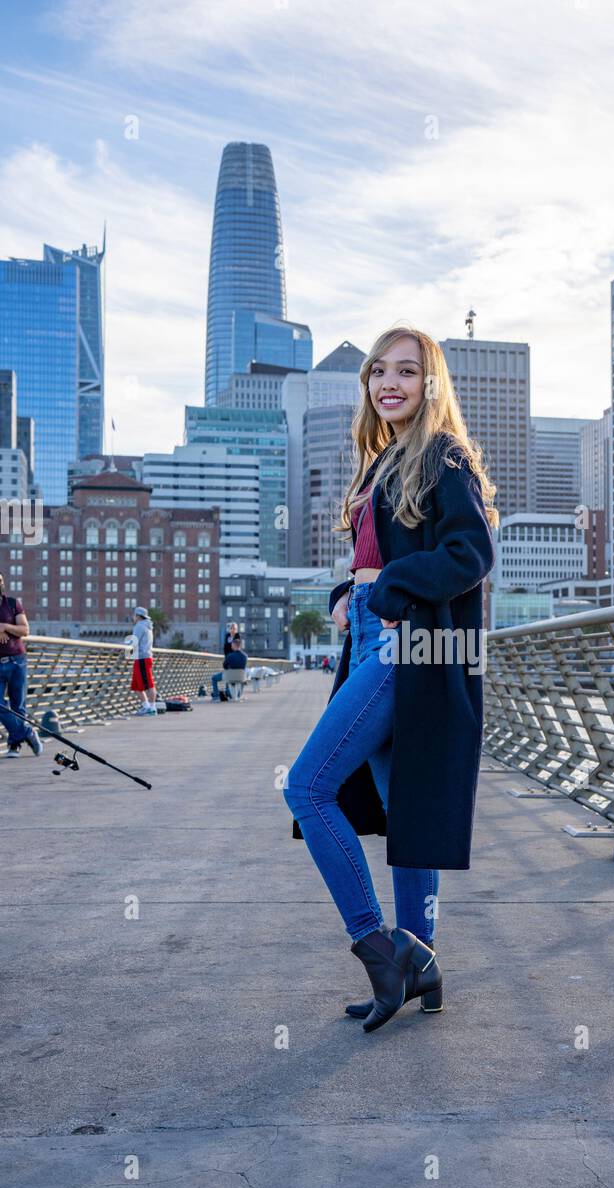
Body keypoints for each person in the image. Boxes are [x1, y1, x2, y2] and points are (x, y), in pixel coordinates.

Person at [283, 326, 497, 1033]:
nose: (389, 383)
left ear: (431, 384)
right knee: (401, 806)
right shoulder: (383, 463)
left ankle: (379, 948)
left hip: (411, 647)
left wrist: (392, 589)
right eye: (379, 371)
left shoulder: (442, 456)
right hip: (379, 636)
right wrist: (346, 597)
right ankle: (421, 960)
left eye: (407, 371)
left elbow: (472, 552)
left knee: (308, 785)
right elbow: (369, 564)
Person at [0, 571, 43, 757]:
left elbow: (24, 630)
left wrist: (4, 627)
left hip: (17, 661)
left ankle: (14, 746)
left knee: (19, 705)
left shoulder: (11, 603)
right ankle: (27, 733)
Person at [129, 606, 157, 715]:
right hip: (142, 658)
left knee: (149, 684)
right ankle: (146, 706)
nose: (133, 617)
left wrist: (125, 652)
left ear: (137, 616)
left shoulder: (139, 626)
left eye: (134, 615)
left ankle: (152, 708)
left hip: (142, 658)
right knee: (136, 686)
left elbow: (133, 642)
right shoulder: (147, 626)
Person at [220, 635, 248, 699]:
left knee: (214, 678)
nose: (231, 646)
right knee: (237, 682)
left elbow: (224, 666)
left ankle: (216, 697)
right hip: (241, 677)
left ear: (234, 645)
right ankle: (238, 695)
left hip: (230, 677)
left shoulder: (229, 655)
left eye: (232, 645)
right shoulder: (245, 656)